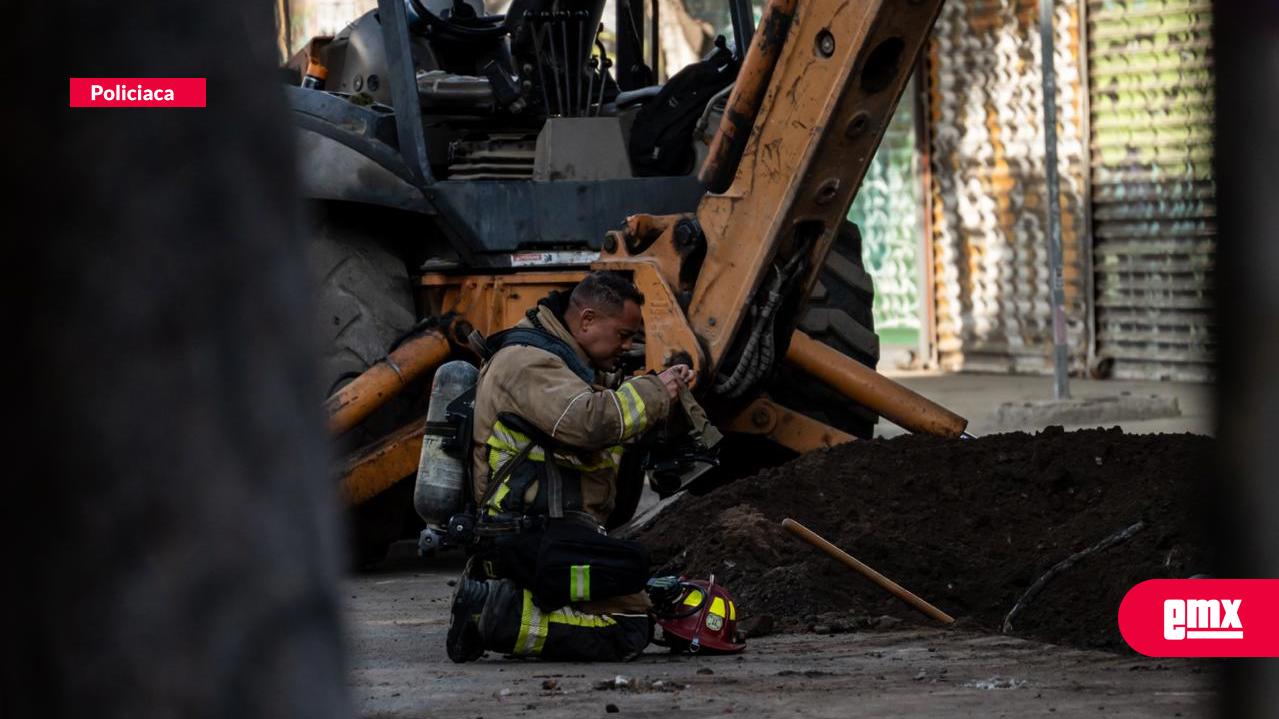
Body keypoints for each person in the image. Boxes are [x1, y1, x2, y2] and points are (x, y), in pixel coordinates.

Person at [447, 270, 696, 662]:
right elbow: (586, 421)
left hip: (546, 535)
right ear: (587, 321)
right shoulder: (527, 363)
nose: (628, 346)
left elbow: (603, 427)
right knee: (630, 623)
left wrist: (662, 406)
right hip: (528, 539)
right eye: (623, 335)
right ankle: (495, 614)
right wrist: (653, 391)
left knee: (632, 574)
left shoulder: (563, 364)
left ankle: (500, 603)